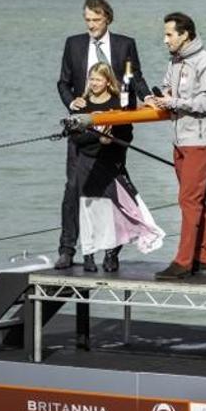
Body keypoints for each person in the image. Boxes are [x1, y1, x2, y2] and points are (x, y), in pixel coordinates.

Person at [56, 0, 150, 270]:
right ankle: (67, 249)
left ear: (107, 18)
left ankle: (112, 252)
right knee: (74, 188)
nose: (91, 26)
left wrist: (149, 98)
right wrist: (71, 102)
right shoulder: (73, 44)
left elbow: (137, 78)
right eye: (87, 20)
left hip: (117, 127)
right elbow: (63, 82)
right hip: (82, 129)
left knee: (115, 189)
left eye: (96, 20)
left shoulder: (124, 44)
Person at [145, 12, 206, 280]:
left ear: (185, 34)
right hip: (179, 139)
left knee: (188, 200)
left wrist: (173, 102)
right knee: (197, 200)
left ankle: (182, 262)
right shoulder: (175, 62)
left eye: (169, 34)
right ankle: (203, 259)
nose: (165, 39)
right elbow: (168, 89)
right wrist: (157, 98)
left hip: (199, 141)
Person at [69, 63, 166, 270]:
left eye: (98, 79)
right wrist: (98, 139)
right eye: (92, 79)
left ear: (108, 81)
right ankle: (88, 255)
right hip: (87, 163)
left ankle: (112, 254)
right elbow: (76, 139)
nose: (94, 83)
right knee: (89, 211)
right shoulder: (81, 104)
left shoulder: (117, 103)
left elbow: (126, 134)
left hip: (111, 162)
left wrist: (110, 141)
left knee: (120, 209)